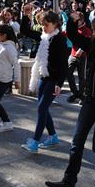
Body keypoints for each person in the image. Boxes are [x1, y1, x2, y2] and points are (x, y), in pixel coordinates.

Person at [45, 14, 95, 187]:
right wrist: (73, 19)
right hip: (89, 100)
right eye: (92, 29)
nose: (93, 33)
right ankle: (69, 181)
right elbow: (71, 34)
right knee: (76, 142)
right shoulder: (90, 44)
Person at [20, 10, 68, 153]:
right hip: (43, 77)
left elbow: (63, 65)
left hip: (53, 80)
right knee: (43, 108)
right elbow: (24, 31)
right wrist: (25, 14)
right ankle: (53, 136)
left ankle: (35, 141)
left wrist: (59, 84)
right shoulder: (44, 36)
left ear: (55, 24)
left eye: (46, 25)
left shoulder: (59, 39)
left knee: (41, 108)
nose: (43, 27)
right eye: (42, 25)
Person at [65, 11, 91, 103]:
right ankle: (75, 93)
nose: (75, 23)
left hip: (82, 56)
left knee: (82, 77)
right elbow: (68, 33)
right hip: (73, 54)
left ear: (82, 20)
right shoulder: (74, 29)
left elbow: (86, 43)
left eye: (77, 21)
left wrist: (81, 50)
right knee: (68, 73)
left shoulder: (87, 30)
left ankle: (81, 95)